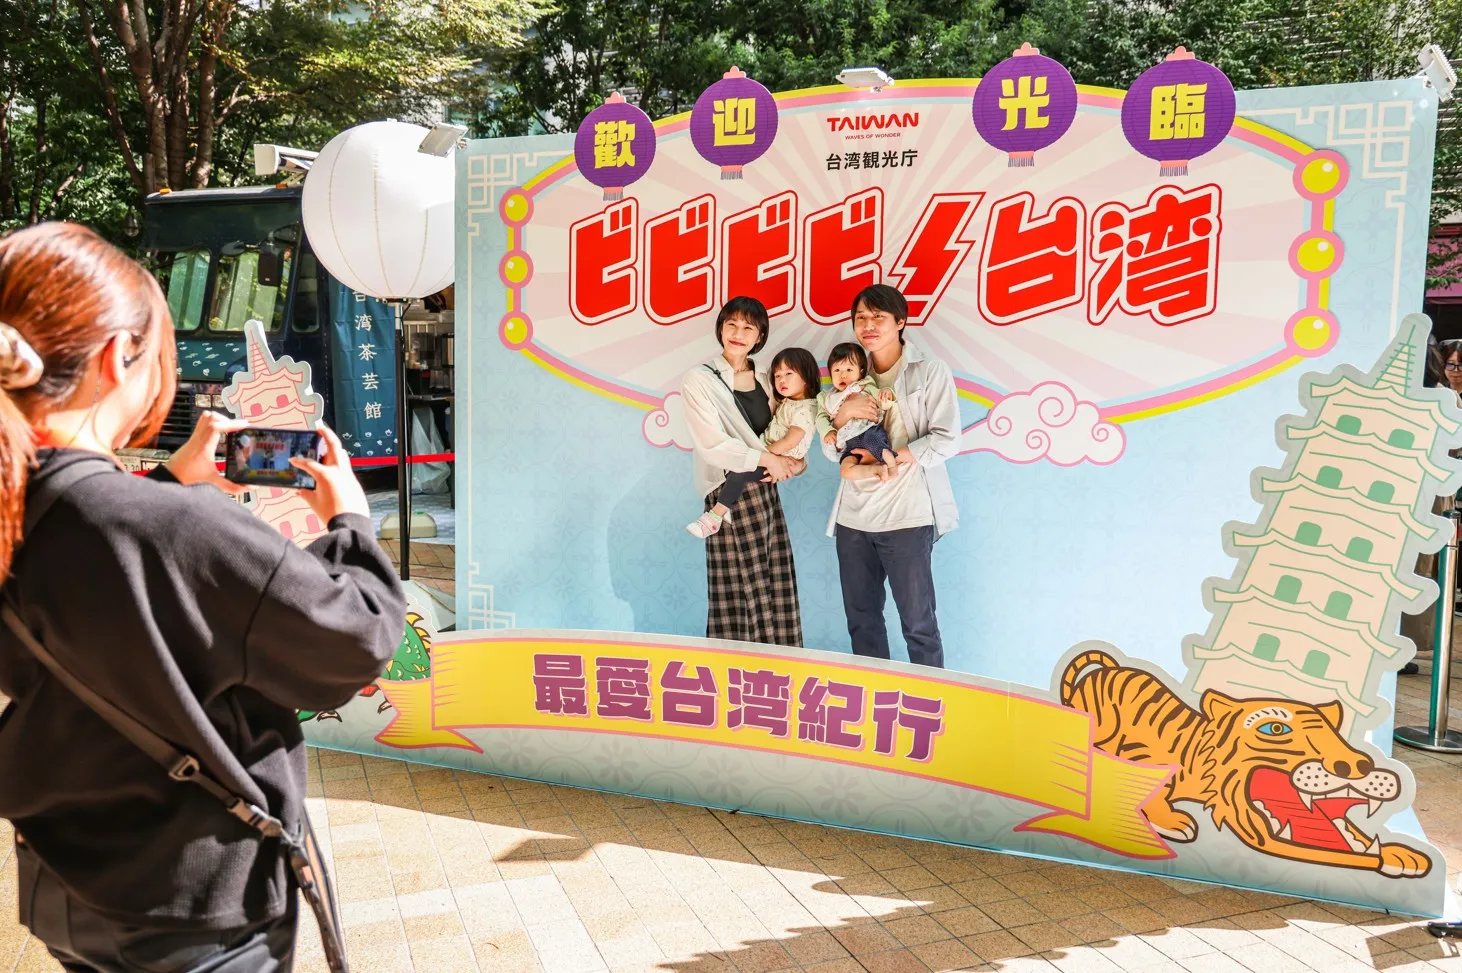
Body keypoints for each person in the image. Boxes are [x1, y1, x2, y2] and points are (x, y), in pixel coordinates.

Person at [0, 223, 406, 971]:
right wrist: (349, 519)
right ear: (117, 357)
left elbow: (95, 568)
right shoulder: (175, 529)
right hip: (195, 912)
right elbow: (356, 638)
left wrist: (166, 482)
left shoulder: (20, 512)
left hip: (64, 888)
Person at [821, 284, 960, 669]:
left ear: (900, 321)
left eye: (878, 317)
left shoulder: (928, 370)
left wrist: (891, 460)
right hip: (854, 518)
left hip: (907, 516)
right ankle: (874, 701)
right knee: (861, 622)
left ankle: (930, 702)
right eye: (861, 318)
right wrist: (842, 417)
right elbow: (832, 450)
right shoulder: (848, 373)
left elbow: (947, 439)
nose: (868, 325)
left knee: (918, 624)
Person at [680, 297, 807, 645]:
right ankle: (734, 671)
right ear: (721, 328)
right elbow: (711, 443)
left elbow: (789, 429)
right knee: (735, 592)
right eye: (731, 324)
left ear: (760, 335)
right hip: (727, 493)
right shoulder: (700, 379)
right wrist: (769, 459)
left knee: (775, 587)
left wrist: (797, 463)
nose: (738, 333)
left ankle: (781, 669)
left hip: (765, 492)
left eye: (748, 327)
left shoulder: (769, 378)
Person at [686, 346, 820, 538]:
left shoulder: (806, 408)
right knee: (737, 473)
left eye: (788, 374)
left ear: (806, 377)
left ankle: (715, 517)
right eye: (777, 375)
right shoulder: (789, 401)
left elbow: (791, 441)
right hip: (770, 457)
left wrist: (765, 455)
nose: (781, 380)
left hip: (776, 457)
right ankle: (726, 506)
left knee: (739, 473)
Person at [817, 342, 898, 479]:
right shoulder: (826, 398)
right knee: (845, 470)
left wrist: (886, 395)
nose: (842, 375)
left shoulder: (865, 386)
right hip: (848, 442)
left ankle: (892, 467)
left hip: (868, 431)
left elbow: (881, 401)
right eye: (837, 370)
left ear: (860, 371)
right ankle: (876, 470)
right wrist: (827, 431)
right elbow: (820, 419)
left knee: (880, 448)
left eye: (849, 369)